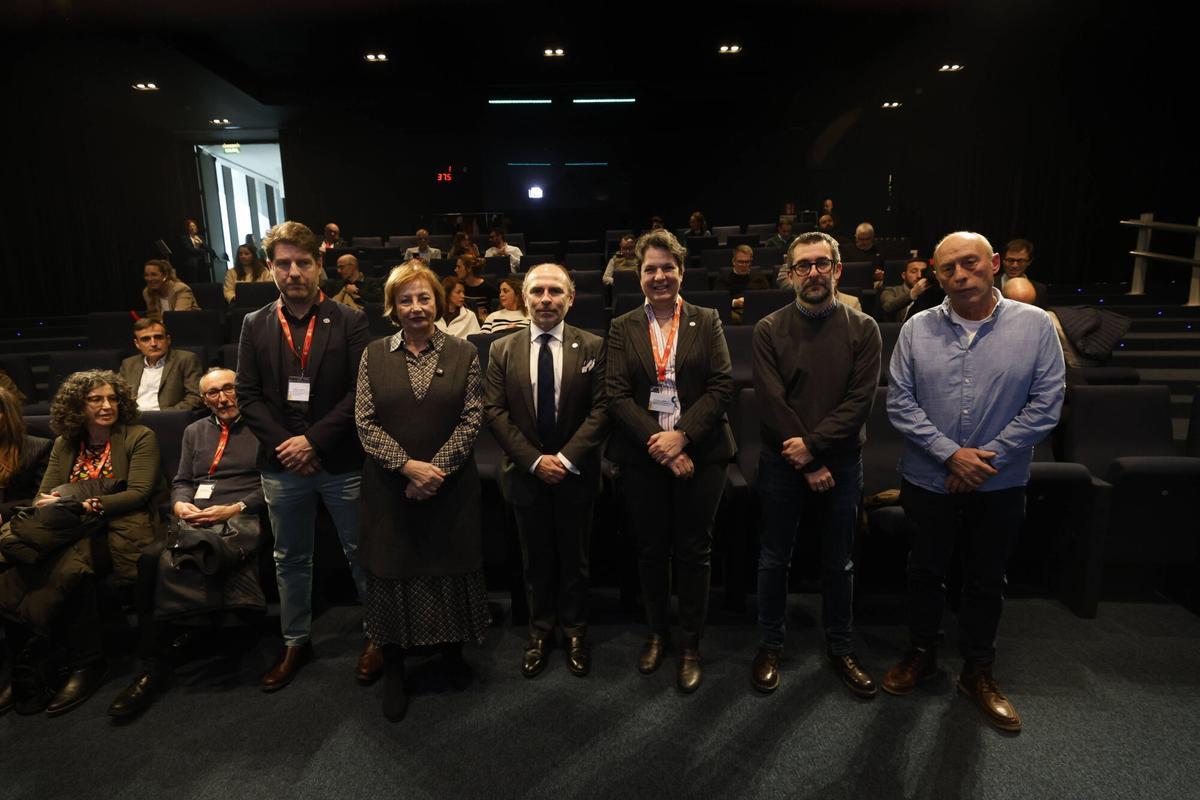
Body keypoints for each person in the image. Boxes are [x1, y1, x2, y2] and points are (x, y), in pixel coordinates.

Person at [883, 231, 1065, 733]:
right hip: (927, 479)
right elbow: (899, 402)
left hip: (999, 483)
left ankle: (978, 671)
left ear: (995, 264)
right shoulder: (917, 328)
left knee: (987, 580)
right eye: (948, 269)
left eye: (969, 263)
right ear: (935, 275)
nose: (960, 276)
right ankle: (921, 655)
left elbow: (1046, 405)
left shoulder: (1035, 326)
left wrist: (983, 460)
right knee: (924, 571)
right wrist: (950, 456)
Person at [235, 220, 376, 692]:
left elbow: (361, 391)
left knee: (361, 551)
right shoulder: (254, 324)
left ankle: (377, 634)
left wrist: (312, 441)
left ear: (319, 266)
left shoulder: (350, 319)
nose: (293, 271)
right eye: (283, 263)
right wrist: (288, 447)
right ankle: (295, 640)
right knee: (289, 558)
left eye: (303, 262)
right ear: (271, 269)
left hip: (340, 460)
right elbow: (248, 395)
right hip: (282, 465)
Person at [355, 261, 491, 722]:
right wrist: (408, 469)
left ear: (438, 301)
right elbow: (364, 422)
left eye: (424, 298)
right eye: (406, 299)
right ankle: (394, 668)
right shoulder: (373, 354)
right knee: (393, 572)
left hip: (450, 488)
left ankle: (451, 654)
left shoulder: (465, 353)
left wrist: (436, 472)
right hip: (390, 489)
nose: (416, 307)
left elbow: (473, 419)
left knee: (448, 567)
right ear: (393, 306)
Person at [750, 231, 882, 698]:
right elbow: (771, 401)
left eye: (822, 264)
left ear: (838, 270)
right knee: (773, 558)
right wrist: (805, 460)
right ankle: (770, 644)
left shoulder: (864, 328)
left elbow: (859, 402)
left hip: (843, 462)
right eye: (803, 265)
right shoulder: (768, 328)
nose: (813, 273)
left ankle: (841, 646)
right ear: (790, 273)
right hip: (783, 461)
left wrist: (816, 450)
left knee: (840, 562)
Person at [606, 230, 734, 693]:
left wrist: (681, 438)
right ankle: (657, 633)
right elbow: (616, 395)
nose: (659, 277)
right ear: (638, 275)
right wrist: (659, 443)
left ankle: (690, 643)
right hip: (643, 456)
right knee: (652, 550)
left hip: (703, 452)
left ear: (680, 271)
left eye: (667, 268)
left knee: (695, 551)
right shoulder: (623, 327)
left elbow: (722, 386)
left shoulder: (707, 319)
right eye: (649, 269)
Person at [0, 370, 167, 716]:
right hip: (70, 527)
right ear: (78, 406)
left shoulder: (139, 436)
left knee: (73, 565)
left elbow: (137, 493)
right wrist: (68, 506)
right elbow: (42, 497)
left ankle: (86, 664)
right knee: (21, 563)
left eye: (112, 398)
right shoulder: (65, 443)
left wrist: (85, 504)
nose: (107, 406)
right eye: (96, 400)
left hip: (119, 526)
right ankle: (29, 666)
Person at [105, 368, 267, 718]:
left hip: (242, 517)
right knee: (149, 560)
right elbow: (182, 480)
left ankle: (204, 631)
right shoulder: (194, 430)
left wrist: (235, 507)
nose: (222, 399)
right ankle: (152, 662)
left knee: (198, 554)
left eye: (229, 389)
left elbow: (274, 484)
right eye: (212, 393)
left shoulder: (263, 426)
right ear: (203, 398)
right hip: (194, 518)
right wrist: (180, 503)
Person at [484, 263, 608, 679]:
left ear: (570, 299)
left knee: (576, 559)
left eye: (556, 291)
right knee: (534, 560)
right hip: (526, 473)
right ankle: (540, 631)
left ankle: (575, 630)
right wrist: (536, 461)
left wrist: (566, 459)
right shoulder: (502, 348)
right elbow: (495, 412)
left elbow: (602, 410)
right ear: (524, 298)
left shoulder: (593, 346)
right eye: (537, 291)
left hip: (576, 474)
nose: (546, 299)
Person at [118, 318, 204, 411]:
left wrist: (166, 415)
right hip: (134, 419)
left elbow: (195, 396)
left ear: (168, 339)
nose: (153, 343)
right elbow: (120, 396)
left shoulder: (186, 359)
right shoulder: (128, 364)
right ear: (137, 344)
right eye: (145, 339)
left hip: (168, 418)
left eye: (158, 337)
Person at [716, 245, 772, 323]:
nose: (744, 265)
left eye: (747, 262)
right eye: (740, 262)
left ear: (751, 261)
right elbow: (718, 301)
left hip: (756, 310)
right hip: (734, 311)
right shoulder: (724, 278)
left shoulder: (759, 276)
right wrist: (734, 303)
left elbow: (768, 296)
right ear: (733, 261)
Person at [878, 258, 931, 322]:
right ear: (904, 275)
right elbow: (888, 306)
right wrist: (913, 293)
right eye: (914, 271)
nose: (919, 276)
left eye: (923, 272)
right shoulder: (891, 291)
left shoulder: (931, 293)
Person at [1000, 238, 1047, 306]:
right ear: (1003, 260)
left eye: (1020, 261)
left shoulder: (1039, 289)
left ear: (1029, 262)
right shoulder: (989, 285)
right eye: (1010, 260)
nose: (1014, 265)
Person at [178, 218, 215, 284]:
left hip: (202, 262)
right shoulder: (185, 238)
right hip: (192, 263)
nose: (193, 228)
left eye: (194, 226)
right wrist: (202, 251)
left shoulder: (200, 237)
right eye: (191, 226)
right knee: (194, 282)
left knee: (204, 281)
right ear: (187, 228)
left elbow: (208, 249)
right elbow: (190, 250)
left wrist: (201, 243)